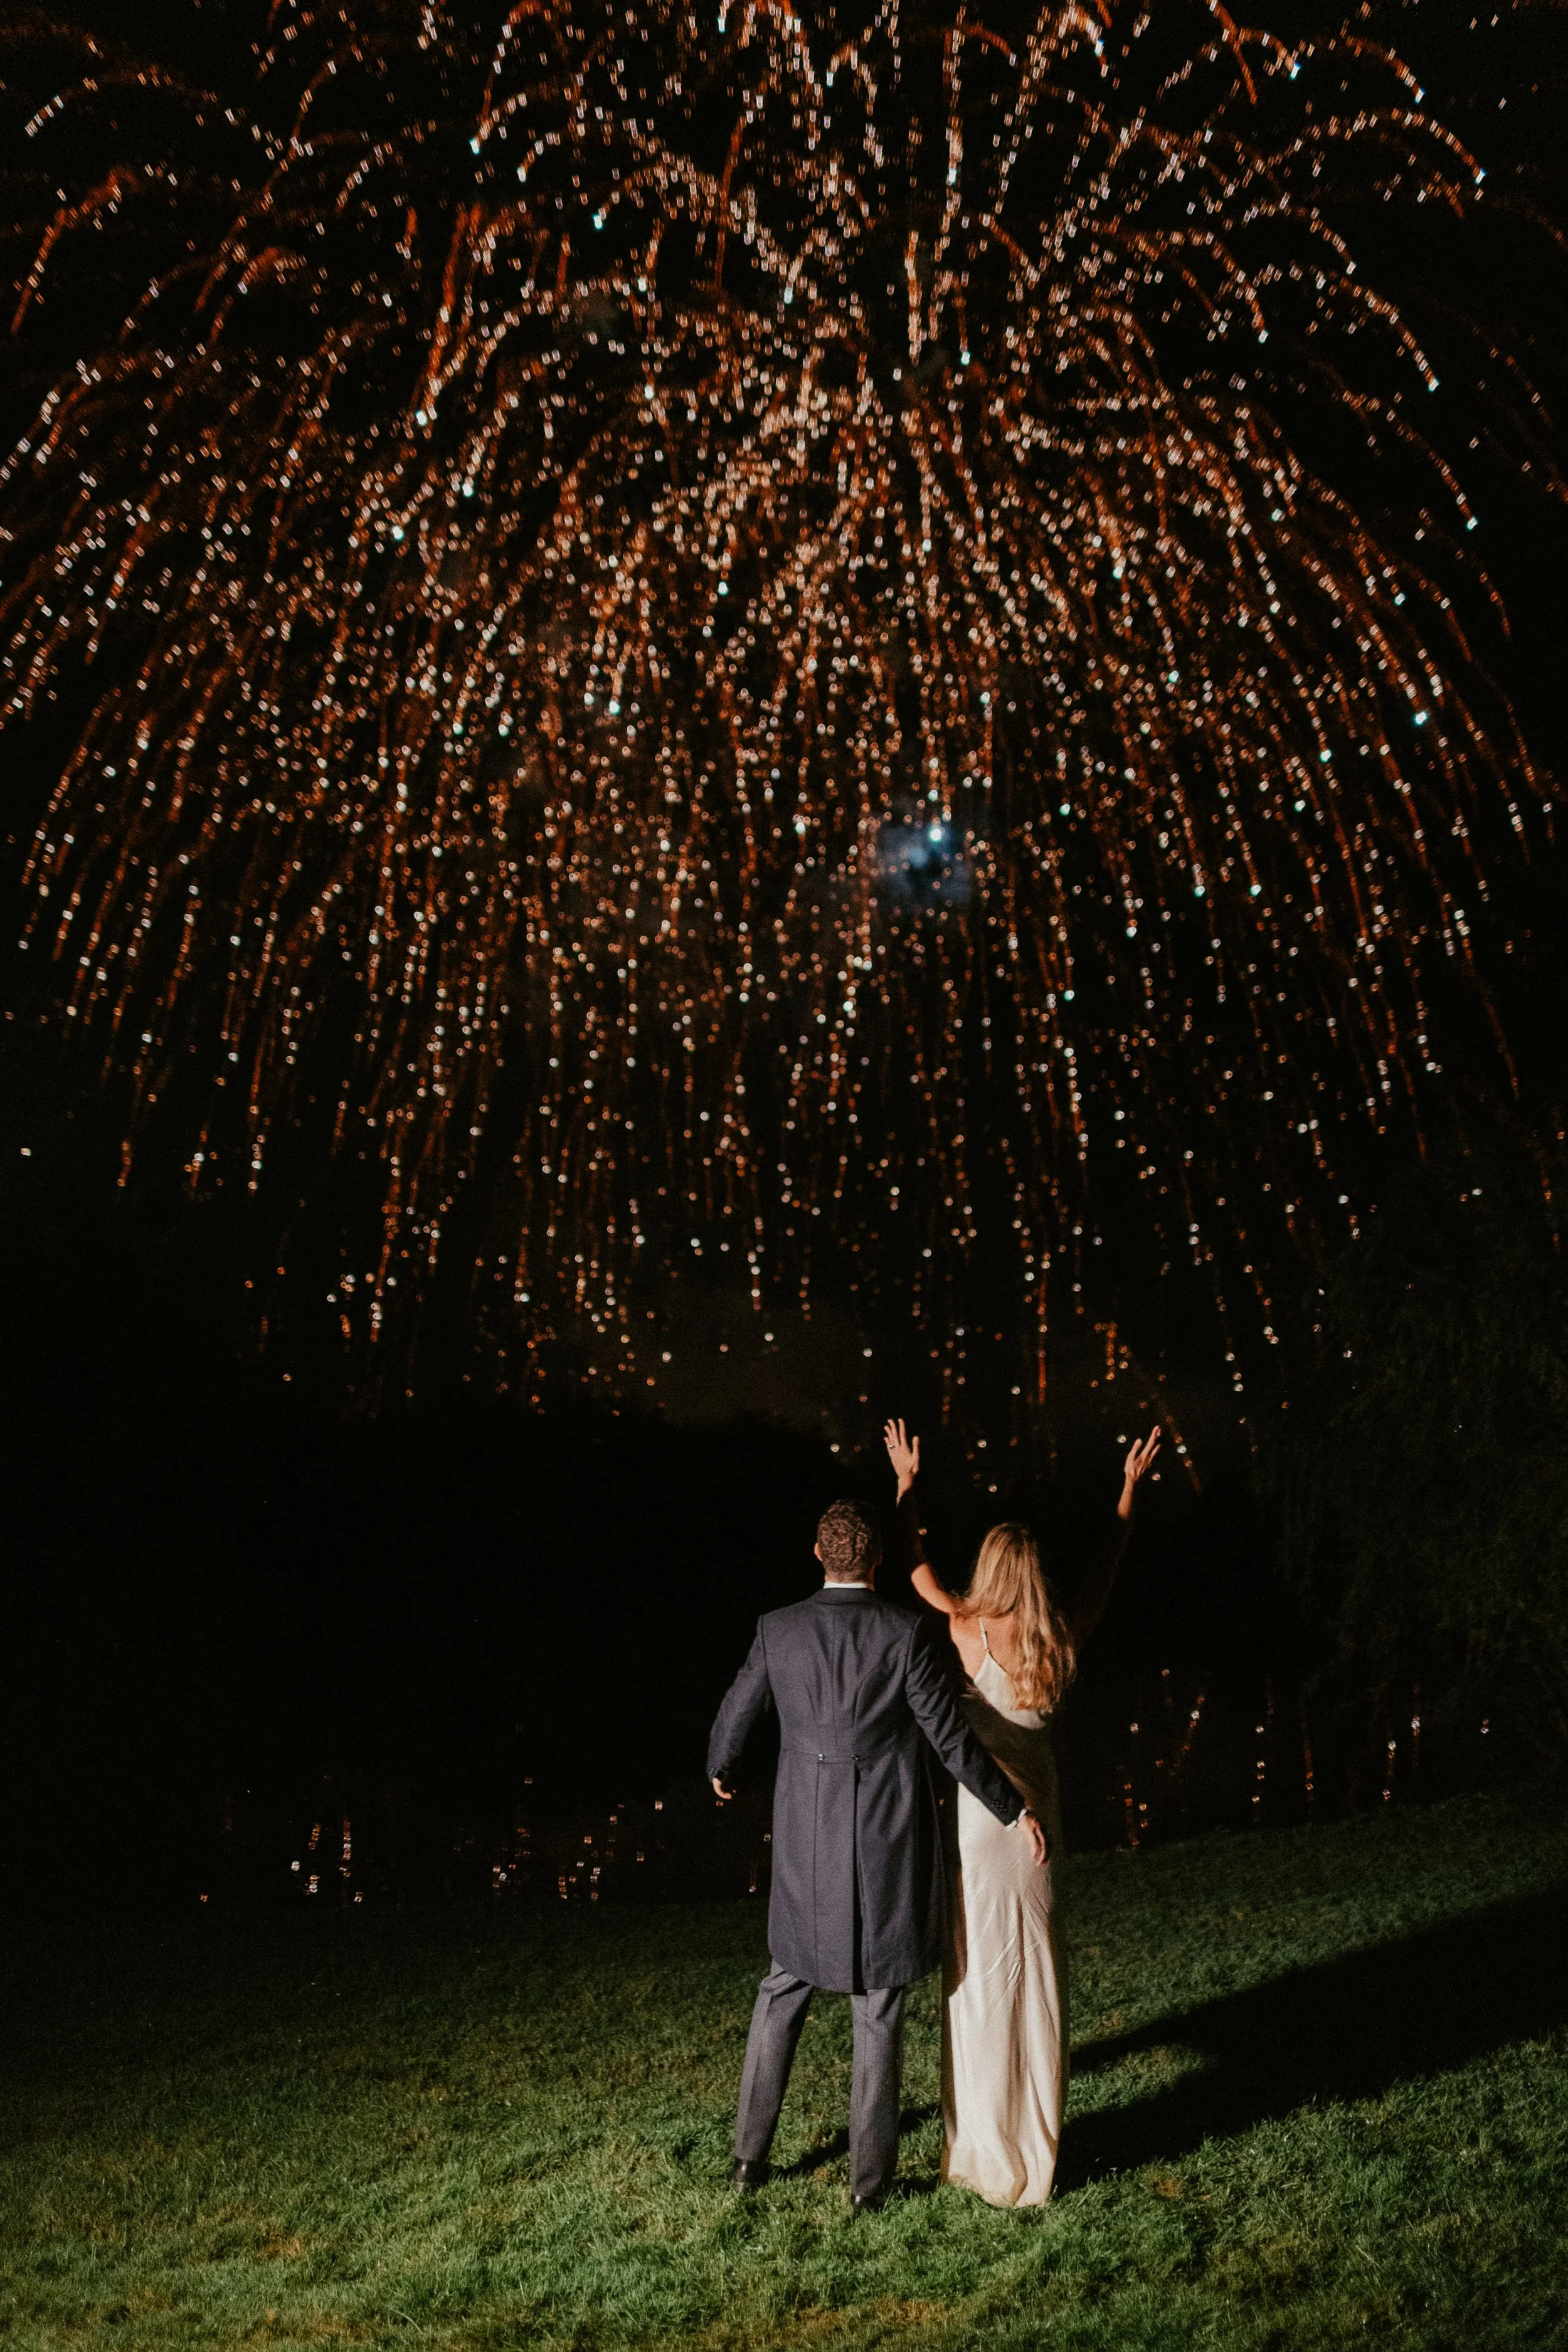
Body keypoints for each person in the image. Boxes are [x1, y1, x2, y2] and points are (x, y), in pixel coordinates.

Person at [706, 1494, 1047, 2210]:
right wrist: (1012, 1807)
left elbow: (737, 1710)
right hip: (886, 1844)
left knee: (782, 1991)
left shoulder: (779, 1629)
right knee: (879, 2008)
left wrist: (721, 1768)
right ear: (878, 1560)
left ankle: (748, 2161)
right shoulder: (904, 1634)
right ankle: (869, 2190)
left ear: (818, 1554)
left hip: (805, 1843)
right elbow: (950, 1739)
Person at [883, 1416, 1161, 2207]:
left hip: (983, 1825)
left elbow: (913, 1569)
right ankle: (1036, 2150)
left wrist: (907, 1486)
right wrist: (1127, 1492)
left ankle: (977, 2149)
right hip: (1041, 1831)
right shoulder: (1063, 1638)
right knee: (1035, 1978)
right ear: (1036, 1576)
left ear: (992, 1571)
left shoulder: (969, 1630)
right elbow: (1106, 1566)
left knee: (977, 1982)